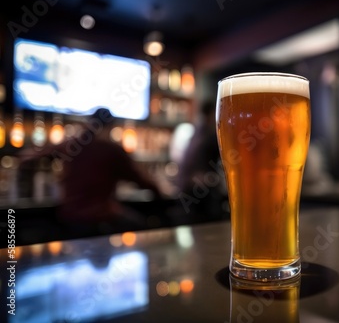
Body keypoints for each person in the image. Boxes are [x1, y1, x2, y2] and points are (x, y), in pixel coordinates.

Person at [19, 108, 161, 237]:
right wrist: (159, 192)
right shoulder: (112, 150)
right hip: (101, 216)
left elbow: (28, 157)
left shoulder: (73, 143)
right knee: (144, 228)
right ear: (110, 126)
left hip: (69, 216)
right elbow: (141, 180)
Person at [176, 100, 227, 221]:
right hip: (199, 191)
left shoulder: (197, 131)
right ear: (212, 114)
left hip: (186, 190)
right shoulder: (210, 134)